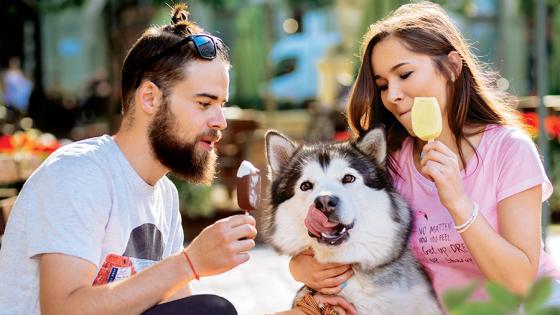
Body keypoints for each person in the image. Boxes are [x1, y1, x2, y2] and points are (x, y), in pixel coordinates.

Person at [289, 0, 560, 311]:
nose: (392, 95)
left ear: (453, 67)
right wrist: (301, 267)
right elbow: (328, 248)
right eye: (382, 85)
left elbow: (520, 283)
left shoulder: (509, 150)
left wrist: (459, 203)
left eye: (404, 74)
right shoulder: (391, 162)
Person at [0, 4, 256, 315]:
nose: (220, 121)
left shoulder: (164, 195)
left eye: (222, 105)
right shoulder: (79, 173)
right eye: (204, 103)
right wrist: (191, 262)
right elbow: (63, 309)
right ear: (149, 98)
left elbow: (178, 306)